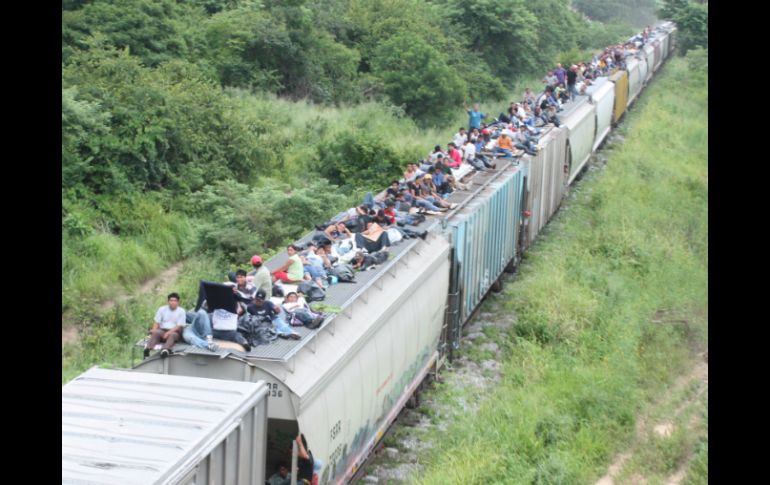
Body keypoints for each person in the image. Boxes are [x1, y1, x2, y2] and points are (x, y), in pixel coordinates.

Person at [145, 292, 186, 358]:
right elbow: (156, 322)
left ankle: (165, 350)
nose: (173, 302)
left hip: (175, 332)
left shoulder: (181, 311)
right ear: (168, 301)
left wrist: (168, 333)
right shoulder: (162, 309)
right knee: (156, 332)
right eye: (171, 300)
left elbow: (179, 326)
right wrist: (153, 332)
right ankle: (148, 349)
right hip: (162, 330)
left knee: (172, 335)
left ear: (178, 302)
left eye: (175, 301)